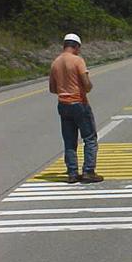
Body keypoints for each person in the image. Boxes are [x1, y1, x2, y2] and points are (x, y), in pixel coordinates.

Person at [49, 33, 103, 184]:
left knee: (69, 140)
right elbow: (86, 84)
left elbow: (53, 89)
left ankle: (72, 173)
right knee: (90, 138)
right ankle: (88, 171)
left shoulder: (55, 62)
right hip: (79, 103)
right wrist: (87, 86)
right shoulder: (77, 61)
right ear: (77, 46)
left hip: (63, 104)